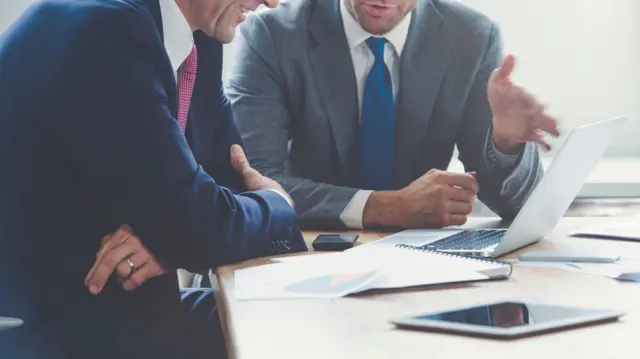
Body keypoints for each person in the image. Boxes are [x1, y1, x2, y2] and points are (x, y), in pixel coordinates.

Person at [0, 0, 306, 358]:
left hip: (120, 316)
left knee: (302, 317)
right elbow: (200, 222)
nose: (272, 2)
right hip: (46, 334)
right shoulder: (106, 30)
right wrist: (279, 205)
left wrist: (172, 236)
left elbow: (227, 185)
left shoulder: (197, 38)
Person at [225, 0, 560, 230]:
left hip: (420, 269)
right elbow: (251, 182)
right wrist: (387, 207)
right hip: (306, 256)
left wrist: (505, 144)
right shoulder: (271, 34)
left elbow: (521, 212)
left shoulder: (472, 37)